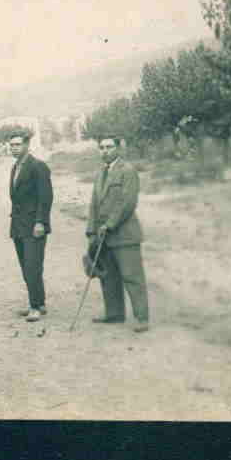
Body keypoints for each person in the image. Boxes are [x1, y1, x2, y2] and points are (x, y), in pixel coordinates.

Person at [85, 135, 150, 333]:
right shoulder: (101, 173)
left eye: (109, 147)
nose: (105, 151)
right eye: (101, 147)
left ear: (118, 148)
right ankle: (114, 314)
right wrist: (91, 230)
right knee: (109, 276)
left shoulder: (127, 171)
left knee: (132, 277)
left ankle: (142, 318)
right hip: (103, 236)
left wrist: (110, 224)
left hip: (124, 235)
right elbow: (94, 204)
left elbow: (127, 202)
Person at [7, 130, 54, 322]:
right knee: (25, 266)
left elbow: (46, 197)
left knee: (32, 266)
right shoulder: (15, 167)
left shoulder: (38, 166)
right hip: (18, 225)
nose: (14, 148)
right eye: (11, 145)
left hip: (34, 226)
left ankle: (35, 307)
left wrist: (40, 222)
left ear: (27, 145)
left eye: (17, 144)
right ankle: (39, 303)